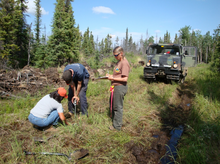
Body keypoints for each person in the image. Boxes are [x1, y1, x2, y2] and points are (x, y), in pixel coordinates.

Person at [106, 46, 130, 131]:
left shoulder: (124, 63)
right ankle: (115, 122)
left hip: (120, 87)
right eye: (114, 55)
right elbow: (118, 75)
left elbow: (124, 78)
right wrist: (110, 76)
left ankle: (117, 126)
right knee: (113, 105)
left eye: (116, 55)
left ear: (121, 53)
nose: (115, 57)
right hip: (115, 87)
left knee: (118, 107)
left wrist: (112, 78)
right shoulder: (119, 62)